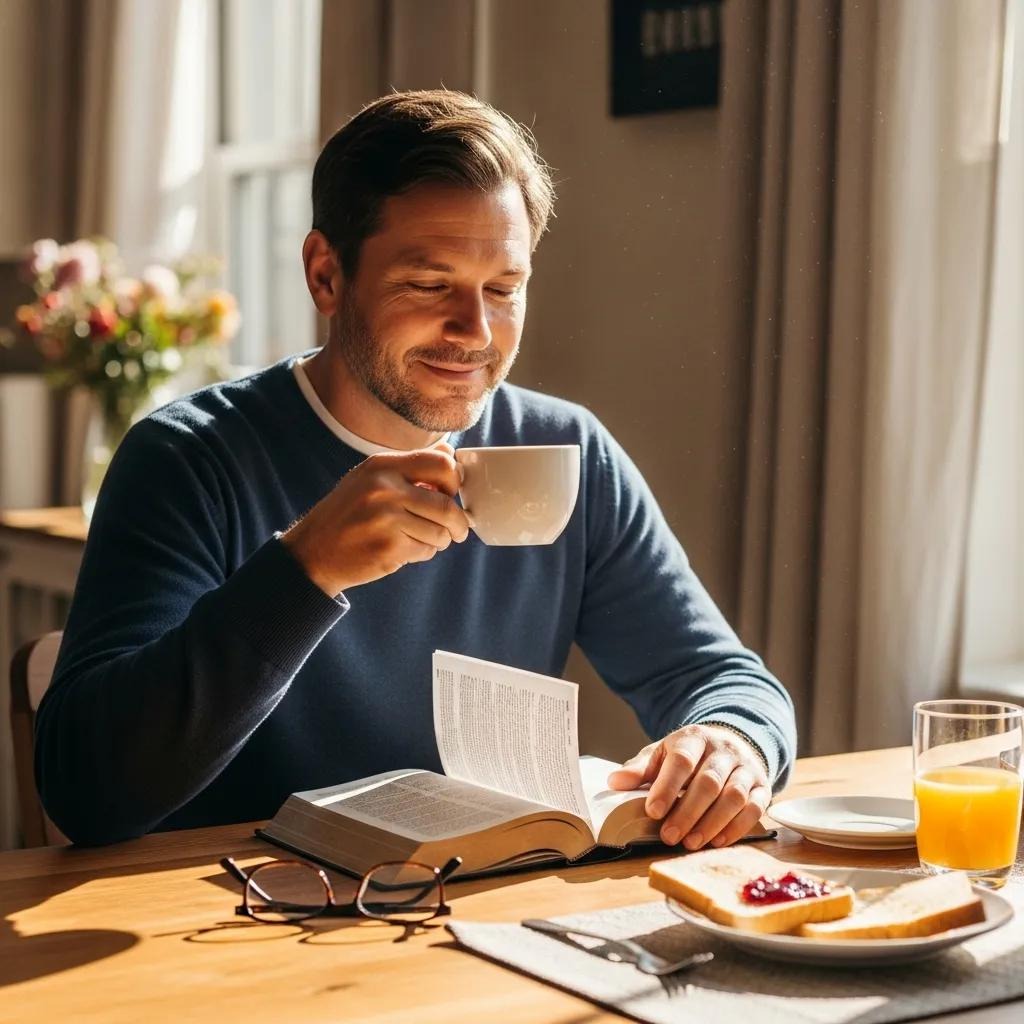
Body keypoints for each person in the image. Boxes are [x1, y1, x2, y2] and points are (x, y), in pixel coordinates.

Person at [36, 90, 796, 850]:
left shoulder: (567, 453)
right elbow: (87, 791)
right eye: (429, 286)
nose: (476, 331)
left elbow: (723, 679)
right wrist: (305, 568)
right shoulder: (187, 460)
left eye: (503, 289)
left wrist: (732, 742)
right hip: (232, 922)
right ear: (326, 275)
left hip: (469, 918)